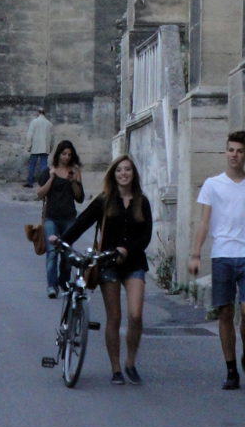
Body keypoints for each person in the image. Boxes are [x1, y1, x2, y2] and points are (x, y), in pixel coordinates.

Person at [188, 130, 245, 390]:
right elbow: (204, 221)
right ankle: (231, 370)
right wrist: (195, 253)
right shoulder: (213, 184)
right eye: (230, 149)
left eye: (239, 151)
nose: (233, 155)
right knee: (225, 313)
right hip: (222, 253)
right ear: (225, 152)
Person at [58, 155, 152, 385]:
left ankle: (130, 362)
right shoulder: (104, 200)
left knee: (136, 314)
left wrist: (127, 250)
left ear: (133, 174)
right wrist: (60, 240)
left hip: (134, 263)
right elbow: (82, 222)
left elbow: (145, 236)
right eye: (119, 170)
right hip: (107, 262)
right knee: (114, 317)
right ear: (113, 174)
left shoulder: (142, 201)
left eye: (128, 170)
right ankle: (116, 368)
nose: (123, 174)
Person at [36, 140, 84, 297]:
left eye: (70, 154)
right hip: (51, 217)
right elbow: (40, 194)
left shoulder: (75, 172)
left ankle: (63, 282)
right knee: (52, 253)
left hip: (69, 217)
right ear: (58, 154)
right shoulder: (49, 171)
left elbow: (80, 197)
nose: (67, 157)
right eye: (64, 154)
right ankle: (51, 285)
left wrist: (72, 182)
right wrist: (51, 178)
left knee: (66, 254)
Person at [23, 106, 54, 188]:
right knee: (44, 165)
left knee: (32, 164)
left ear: (38, 112)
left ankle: (30, 182)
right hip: (45, 147)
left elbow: (30, 136)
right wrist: (50, 147)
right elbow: (52, 138)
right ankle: (44, 183)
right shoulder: (49, 124)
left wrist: (28, 146)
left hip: (35, 147)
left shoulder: (34, 122)